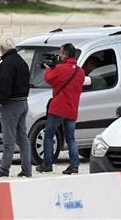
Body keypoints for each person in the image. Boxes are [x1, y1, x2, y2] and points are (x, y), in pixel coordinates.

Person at [36, 43, 84, 175]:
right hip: (72, 108)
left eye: (61, 53)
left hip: (58, 107)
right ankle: (74, 165)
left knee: (49, 135)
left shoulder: (60, 68)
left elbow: (48, 79)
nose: (60, 55)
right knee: (71, 138)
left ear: (65, 54)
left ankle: (47, 164)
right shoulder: (80, 71)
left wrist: (48, 69)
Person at [0, 37, 32, 178]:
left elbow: (4, 86)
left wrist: (0, 101)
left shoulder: (6, 64)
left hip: (11, 104)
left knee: (8, 139)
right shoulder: (21, 61)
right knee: (22, 137)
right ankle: (27, 169)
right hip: (23, 102)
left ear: (2, 48)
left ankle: (4, 169)